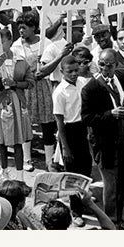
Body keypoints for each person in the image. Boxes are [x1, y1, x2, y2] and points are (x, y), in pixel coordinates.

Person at [81, 48, 124, 227]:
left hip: (122, 136)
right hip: (104, 141)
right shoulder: (90, 88)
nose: (106, 69)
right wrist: (110, 114)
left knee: (123, 179)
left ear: (117, 65)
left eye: (110, 65)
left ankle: (119, 217)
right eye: (102, 65)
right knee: (110, 185)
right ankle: (110, 222)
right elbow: (87, 118)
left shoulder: (121, 77)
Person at [9, 11, 57, 172]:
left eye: (24, 28)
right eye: (19, 28)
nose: (21, 31)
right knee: (25, 123)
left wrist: (43, 70)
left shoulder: (46, 44)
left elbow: (52, 66)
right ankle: (27, 159)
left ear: (34, 28)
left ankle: (50, 161)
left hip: (43, 88)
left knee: (47, 124)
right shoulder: (16, 46)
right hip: (25, 88)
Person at [52, 47, 92, 177]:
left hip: (82, 127)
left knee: (86, 164)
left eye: (76, 70)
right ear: (62, 72)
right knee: (72, 169)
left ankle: (85, 195)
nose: (74, 74)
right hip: (69, 130)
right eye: (70, 71)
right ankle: (74, 197)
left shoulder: (81, 83)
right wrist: (65, 147)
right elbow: (59, 121)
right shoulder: (60, 92)